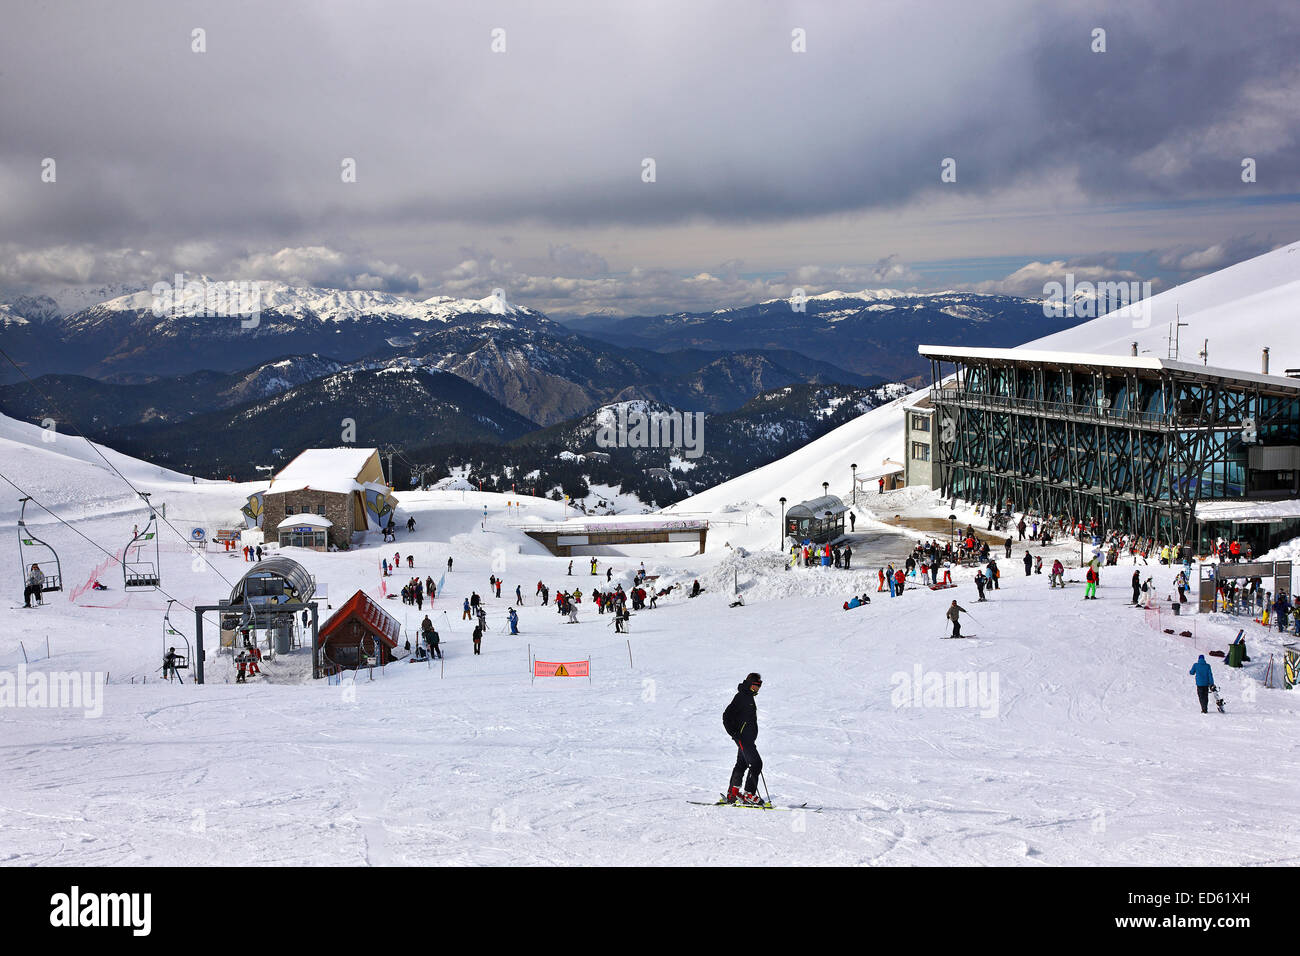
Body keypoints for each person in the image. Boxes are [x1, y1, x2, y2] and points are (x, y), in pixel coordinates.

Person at [723, 673, 765, 805]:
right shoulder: (742, 697)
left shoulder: (748, 697)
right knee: (756, 763)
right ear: (750, 684)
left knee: (742, 763)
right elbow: (726, 716)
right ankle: (749, 795)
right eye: (757, 685)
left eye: (760, 685)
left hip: (747, 739)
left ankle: (733, 793)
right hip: (743, 738)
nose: (758, 687)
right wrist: (734, 733)